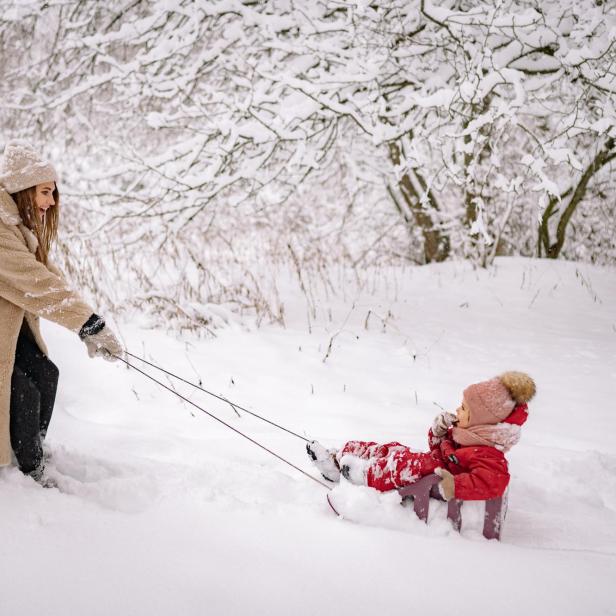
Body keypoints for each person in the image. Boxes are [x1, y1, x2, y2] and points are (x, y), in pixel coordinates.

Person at [0, 140, 122, 486]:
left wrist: (88, 325)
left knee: (46, 374)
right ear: (23, 189)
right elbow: (36, 282)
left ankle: (31, 449)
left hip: (8, 330)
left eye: (53, 193)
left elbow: (49, 275)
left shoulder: (15, 225)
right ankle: (27, 472)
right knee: (24, 391)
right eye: (45, 192)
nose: (51, 202)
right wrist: (87, 322)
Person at [307, 371, 536, 501]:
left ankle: (358, 475)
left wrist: (455, 485)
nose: (458, 411)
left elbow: (492, 483)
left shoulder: (488, 454)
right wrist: (439, 433)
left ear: (483, 422)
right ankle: (340, 457)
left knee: (404, 465)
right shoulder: (468, 435)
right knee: (392, 450)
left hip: (432, 478)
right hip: (430, 465)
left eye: (465, 409)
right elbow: (440, 451)